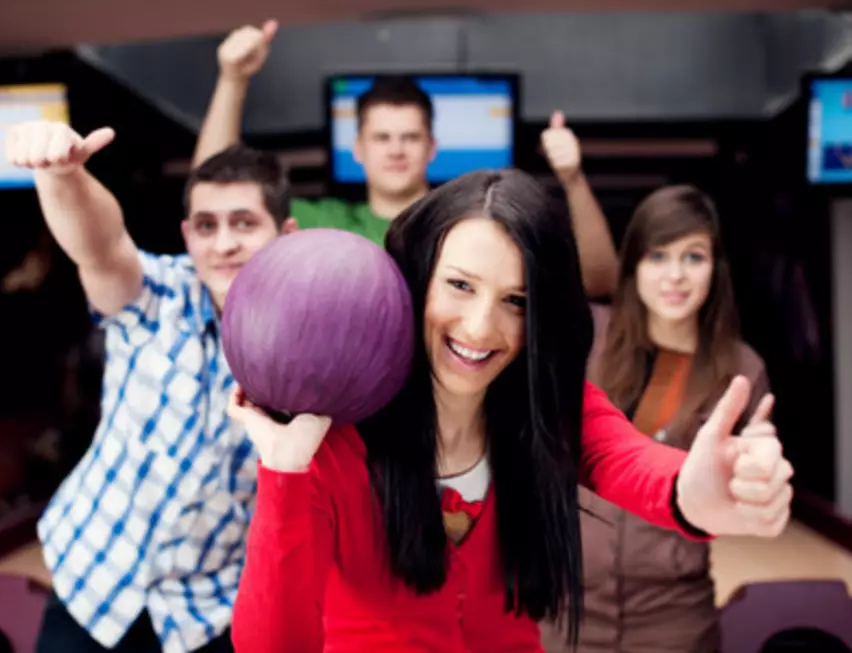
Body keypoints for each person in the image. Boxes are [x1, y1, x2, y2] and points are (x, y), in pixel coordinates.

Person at [225, 169, 793, 653]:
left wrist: (697, 492)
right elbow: (270, 644)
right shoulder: (336, 440)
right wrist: (284, 473)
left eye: (516, 302)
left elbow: (633, 461)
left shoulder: (544, 407)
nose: (479, 328)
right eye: (459, 286)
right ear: (416, 279)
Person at [5, 121, 296, 653]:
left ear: (286, 234)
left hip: (209, 606)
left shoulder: (310, 346)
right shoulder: (159, 294)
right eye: (206, 226)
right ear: (187, 236)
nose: (224, 243)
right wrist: (62, 178)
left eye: (244, 223)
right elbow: (102, 245)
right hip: (95, 574)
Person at [192, 20, 619, 298]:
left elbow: (597, 282)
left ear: (432, 147)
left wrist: (573, 178)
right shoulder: (313, 221)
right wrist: (233, 79)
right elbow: (213, 190)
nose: (396, 149)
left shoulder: (476, 220)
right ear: (357, 149)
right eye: (382, 137)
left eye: (409, 137)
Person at [540, 185, 772, 653]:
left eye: (694, 257)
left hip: (675, 618)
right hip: (563, 615)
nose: (675, 276)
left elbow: (734, 493)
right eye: (657, 256)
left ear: (716, 268)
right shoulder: (587, 337)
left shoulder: (741, 369)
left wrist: (755, 475)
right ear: (633, 265)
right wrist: (573, 176)